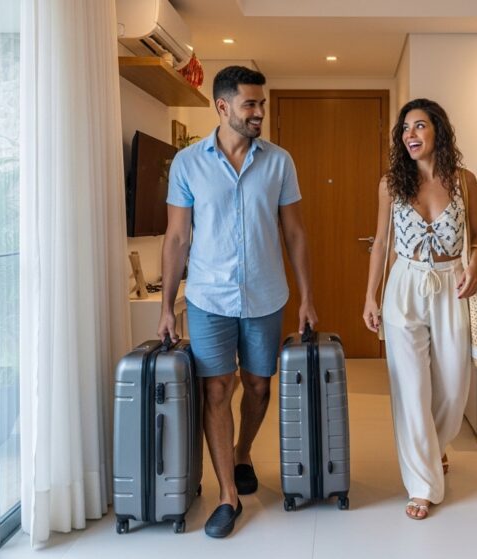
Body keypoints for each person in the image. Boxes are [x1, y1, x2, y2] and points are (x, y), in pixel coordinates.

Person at [159, 65, 317, 538]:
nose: (259, 113)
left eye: (261, 104)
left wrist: (308, 297)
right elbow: (176, 238)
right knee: (216, 390)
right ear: (222, 106)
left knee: (259, 386)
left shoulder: (279, 161)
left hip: (267, 295)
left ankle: (243, 449)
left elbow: (294, 231)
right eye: (250, 104)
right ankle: (229, 494)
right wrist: (167, 306)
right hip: (209, 296)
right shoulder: (188, 163)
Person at [362, 98, 477, 520]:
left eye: (419, 126)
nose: (410, 135)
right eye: (404, 129)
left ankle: (433, 446)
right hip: (405, 287)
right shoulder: (391, 184)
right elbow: (381, 244)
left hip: (452, 286)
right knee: (411, 390)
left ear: (439, 132)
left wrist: (471, 264)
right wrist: (370, 296)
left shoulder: (465, 181)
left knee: (452, 387)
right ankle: (422, 485)